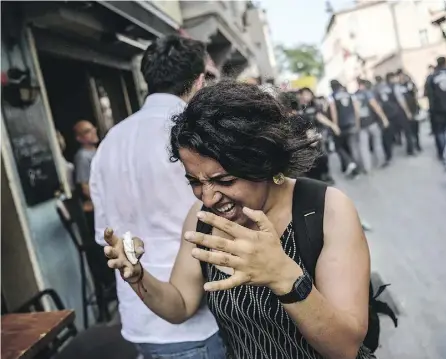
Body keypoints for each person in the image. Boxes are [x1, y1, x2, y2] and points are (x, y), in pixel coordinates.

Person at [102, 81, 373, 359]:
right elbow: (180, 305)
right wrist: (137, 277)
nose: (208, 197)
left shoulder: (325, 209)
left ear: (264, 163)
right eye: (194, 181)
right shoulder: (203, 218)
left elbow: (345, 347)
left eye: (225, 180)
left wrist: (283, 276)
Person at [89, 35, 224, 358]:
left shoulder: (110, 142)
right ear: (200, 81)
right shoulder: (195, 137)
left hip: (140, 317)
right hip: (200, 321)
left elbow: (105, 237)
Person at [298, 87, 339, 183]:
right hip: (303, 137)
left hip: (317, 134)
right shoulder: (297, 107)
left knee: (323, 155)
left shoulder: (314, 105)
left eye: (309, 94)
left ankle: (326, 175)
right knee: (310, 159)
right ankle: (315, 179)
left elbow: (319, 117)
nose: (307, 96)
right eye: (304, 94)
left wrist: (333, 125)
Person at [354, 79, 389, 172]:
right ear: (364, 84)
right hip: (372, 122)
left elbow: (356, 112)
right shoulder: (367, 93)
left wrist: (357, 125)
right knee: (377, 143)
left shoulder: (355, 96)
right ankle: (380, 161)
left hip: (362, 125)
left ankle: (367, 167)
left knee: (363, 147)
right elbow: (376, 107)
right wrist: (384, 118)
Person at [328, 80, 360, 176]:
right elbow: (356, 110)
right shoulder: (350, 94)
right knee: (350, 146)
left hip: (341, 125)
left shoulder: (332, 96)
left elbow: (334, 112)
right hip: (351, 123)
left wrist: (335, 125)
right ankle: (354, 166)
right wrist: (357, 123)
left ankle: (350, 163)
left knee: (339, 146)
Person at [73, 120, 98, 208]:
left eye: (93, 128)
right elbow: (85, 187)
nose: (93, 132)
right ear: (79, 138)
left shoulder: (98, 151)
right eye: (87, 131)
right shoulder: (82, 156)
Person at [397, 69, 422, 152]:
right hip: (404, 112)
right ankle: (410, 149)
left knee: (416, 129)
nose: (402, 77)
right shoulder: (398, 87)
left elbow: (416, 94)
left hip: (414, 109)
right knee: (408, 131)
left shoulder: (410, 84)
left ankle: (417, 145)